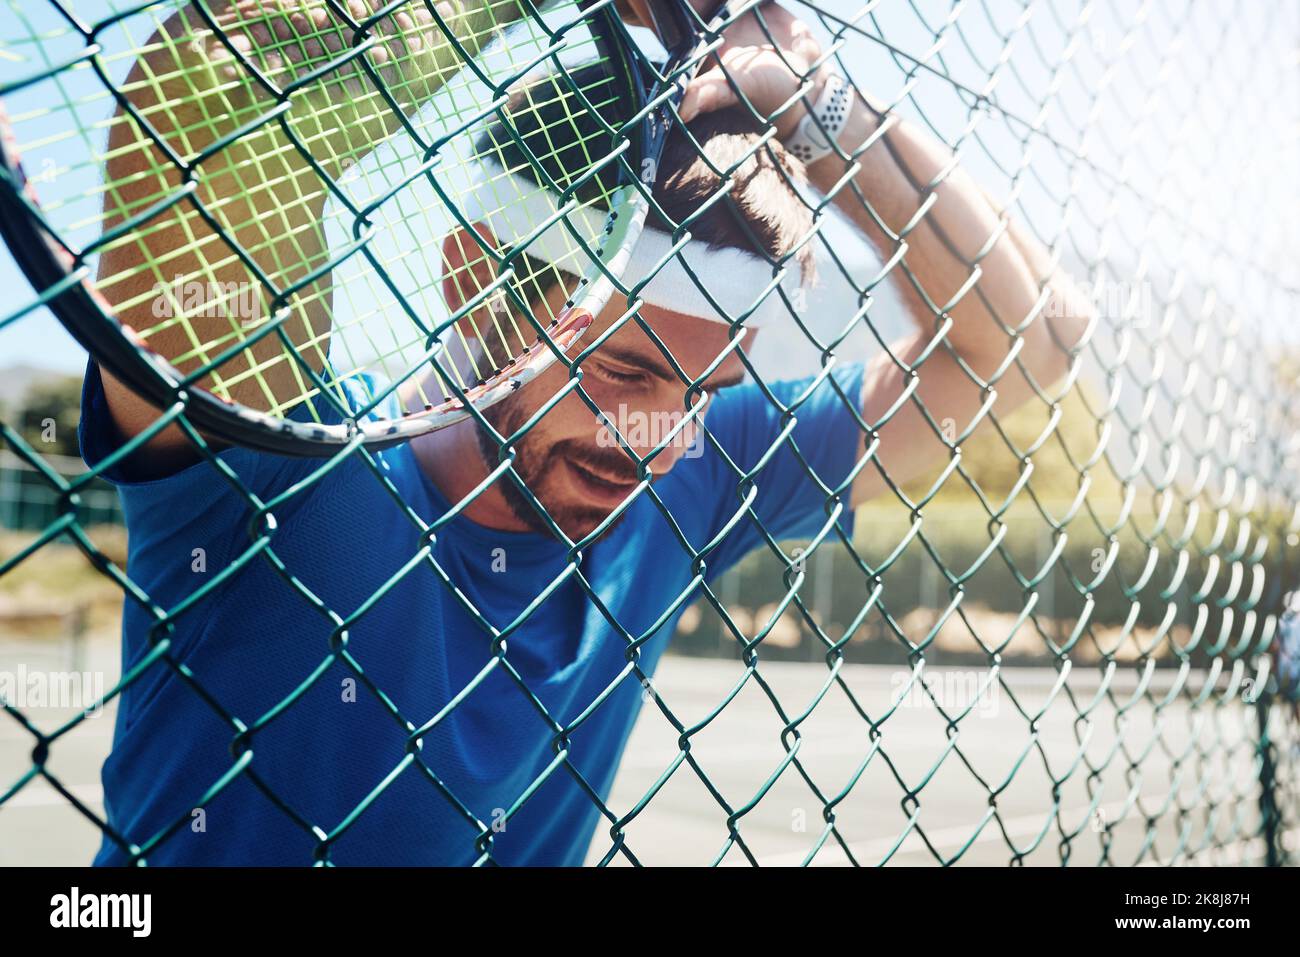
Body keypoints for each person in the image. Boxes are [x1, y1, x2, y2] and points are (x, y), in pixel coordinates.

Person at [81, 0, 1091, 864]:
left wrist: (824, 113)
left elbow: (1033, 340)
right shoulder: (280, 467)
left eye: (707, 385)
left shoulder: (692, 474)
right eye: (622, 370)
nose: (656, 432)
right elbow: (214, 101)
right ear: (471, 277)